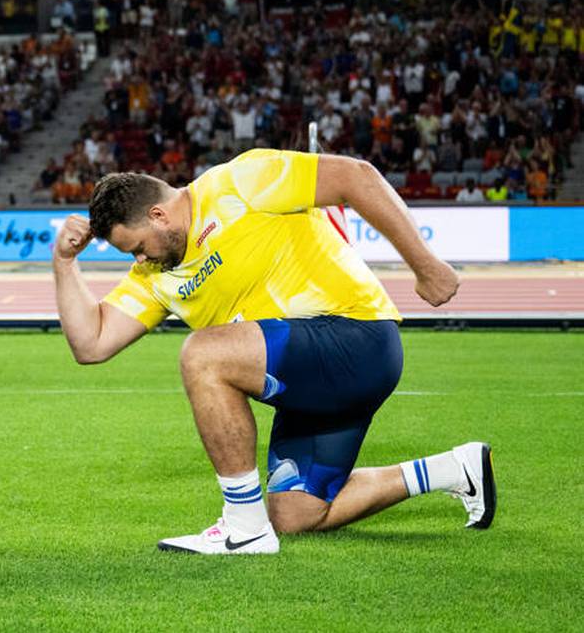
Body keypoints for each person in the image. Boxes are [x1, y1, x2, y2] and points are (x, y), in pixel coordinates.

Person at [52, 149, 493, 555]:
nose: (140, 261)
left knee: (203, 354)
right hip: (309, 384)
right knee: (296, 514)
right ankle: (455, 469)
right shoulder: (157, 274)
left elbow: (355, 176)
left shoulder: (238, 182)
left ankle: (243, 527)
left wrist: (425, 264)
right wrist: (64, 263)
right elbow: (92, 344)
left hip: (356, 338)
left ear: (158, 214)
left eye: (139, 247)